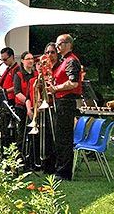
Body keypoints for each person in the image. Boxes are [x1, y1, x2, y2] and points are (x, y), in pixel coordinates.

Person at [50, 34, 82, 181]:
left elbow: (73, 83)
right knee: (60, 137)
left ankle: (64, 172)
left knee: (64, 138)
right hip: (61, 101)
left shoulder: (71, 61)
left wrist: (56, 88)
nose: (57, 47)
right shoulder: (64, 61)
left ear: (68, 44)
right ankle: (59, 168)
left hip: (66, 102)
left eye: (60, 44)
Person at [13, 51, 36, 163]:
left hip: (34, 108)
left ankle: (32, 159)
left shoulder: (36, 74)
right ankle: (19, 160)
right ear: (22, 61)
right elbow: (17, 92)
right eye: (28, 59)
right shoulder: (18, 75)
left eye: (32, 58)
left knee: (33, 135)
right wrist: (28, 103)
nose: (31, 61)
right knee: (21, 134)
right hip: (21, 107)